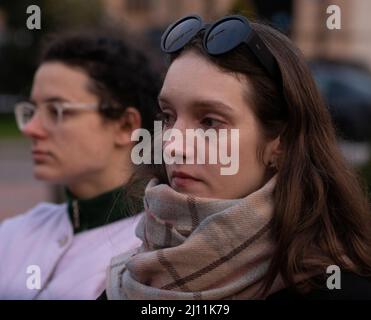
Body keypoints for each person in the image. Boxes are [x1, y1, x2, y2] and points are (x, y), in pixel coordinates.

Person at [104, 15, 371, 300]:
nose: (171, 144)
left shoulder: (338, 287)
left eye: (209, 122)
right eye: (168, 116)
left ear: (280, 143)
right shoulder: (130, 279)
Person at [0, 31, 160, 299]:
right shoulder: (15, 233)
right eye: (32, 110)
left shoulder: (153, 254)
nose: (30, 128)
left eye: (57, 111)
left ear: (125, 125)